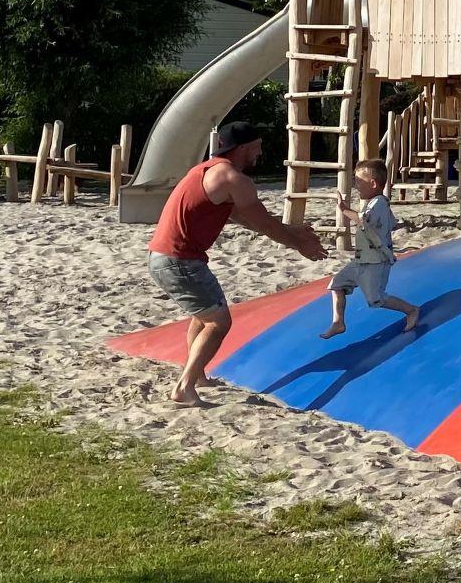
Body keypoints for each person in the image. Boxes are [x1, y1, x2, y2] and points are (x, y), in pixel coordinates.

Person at [147, 120, 327, 407]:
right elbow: (264, 224)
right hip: (179, 261)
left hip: (166, 257)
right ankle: (184, 387)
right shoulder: (233, 178)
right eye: (257, 146)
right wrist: (299, 244)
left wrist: (291, 231)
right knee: (218, 322)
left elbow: (247, 218)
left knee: (203, 314)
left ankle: (198, 376)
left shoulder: (206, 170)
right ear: (243, 147)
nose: (260, 152)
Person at [320, 158, 420, 339]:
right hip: (361, 260)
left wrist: (344, 209)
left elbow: (363, 220)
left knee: (376, 299)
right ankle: (338, 322)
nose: (356, 186)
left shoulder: (379, 202)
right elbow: (387, 223)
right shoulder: (374, 203)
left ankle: (411, 310)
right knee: (336, 284)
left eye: (359, 182)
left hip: (376, 262)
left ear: (373, 183)